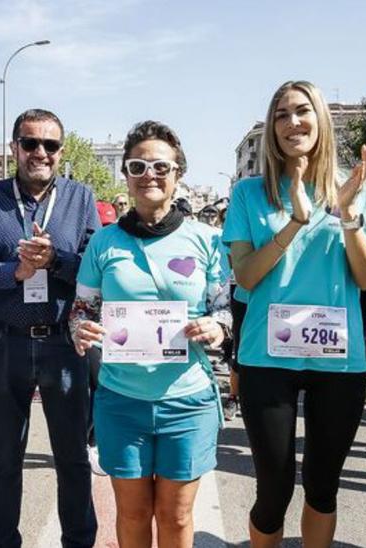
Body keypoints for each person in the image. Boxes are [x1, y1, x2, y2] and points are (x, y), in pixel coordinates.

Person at [221, 81, 366, 547]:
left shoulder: (363, 186)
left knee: (322, 487)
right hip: (266, 358)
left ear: (321, 120)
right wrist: (296, 221)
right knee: (272, 490)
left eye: (302, 111)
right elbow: (247, 277)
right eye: (281, 114)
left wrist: (349, 212)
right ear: (272, 128)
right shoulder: (248, 193)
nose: (292, 122)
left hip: (338, 361)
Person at [71, 120, 230, 548]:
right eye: (137, 166)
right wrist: (80, 329)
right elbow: (82, 308)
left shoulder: (207, 240)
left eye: (161, 166)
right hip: (121, 401)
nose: (149, 176)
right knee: (134, 513)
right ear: (125, 174)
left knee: (176, 517)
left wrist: (218, 326)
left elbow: (225, 308)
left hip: (188, 401)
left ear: (179, 174)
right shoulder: (104, 243)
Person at [0, 108, 99, 548]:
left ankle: (79, 541)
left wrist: (55, 260)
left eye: (50, 145)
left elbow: (97, 271)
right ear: (15, 146)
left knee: (72, 456)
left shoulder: (81, 198)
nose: (41, 152)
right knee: (4, 459)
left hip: (63, 343)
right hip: (6, 342)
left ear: (61, 151)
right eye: (30, 143)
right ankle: (3, 541)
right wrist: (13, 273)